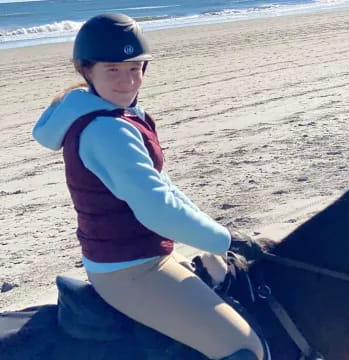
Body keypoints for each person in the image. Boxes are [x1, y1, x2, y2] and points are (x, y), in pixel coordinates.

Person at [32, 13, 264, 360]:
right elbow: (157, 207)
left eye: (134, 68)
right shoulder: (107, 129)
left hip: (145, 253)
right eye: (113, 69)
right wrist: (225, 240)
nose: (127, 81)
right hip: (130, 269)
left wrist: (218, 232)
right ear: (87, 71)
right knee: (244, 347)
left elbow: (163, 185)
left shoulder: (119, 115)